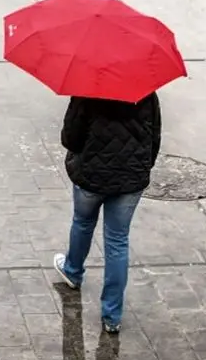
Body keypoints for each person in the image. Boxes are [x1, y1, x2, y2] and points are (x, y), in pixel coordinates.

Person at [54, 93, 162, 334]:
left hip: (90, 176)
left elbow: (70, 139)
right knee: (117, 241)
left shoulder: (86, 91)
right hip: (130, 180)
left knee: (82, 222)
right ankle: (112, 316)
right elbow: (154, 139)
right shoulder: (146, 94)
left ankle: (72, 271)